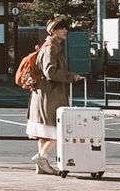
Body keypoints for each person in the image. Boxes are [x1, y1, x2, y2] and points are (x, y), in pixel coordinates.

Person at [26, 14, 84, 175]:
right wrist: (71, 76)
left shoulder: (50, 46)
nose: (65, 31)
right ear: (53, 31)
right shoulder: (51, 48)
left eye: (65, 28)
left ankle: (41, 166)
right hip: (50, 95)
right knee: (60, 130)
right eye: (61, 28)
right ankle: (41, 157)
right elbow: (50, 72)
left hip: (44, 94)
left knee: (44, 132)